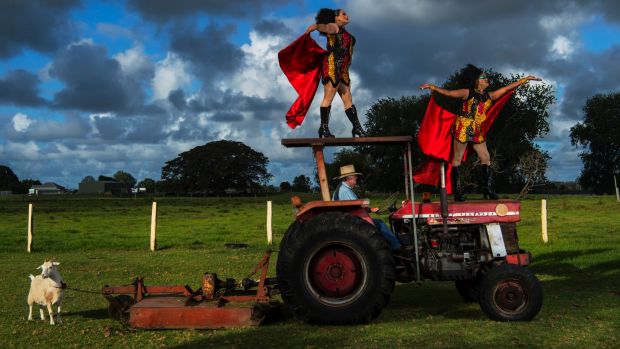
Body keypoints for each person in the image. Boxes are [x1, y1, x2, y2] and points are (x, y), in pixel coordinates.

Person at [419, 64, 541, 201]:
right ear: (476, 81)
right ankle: (457, 192)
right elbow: (449, 93)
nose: (486, 79)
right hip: (463, 127)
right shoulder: (467, 92)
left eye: (486, 77)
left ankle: (487, 190)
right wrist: (432, 87)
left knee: (486, 157)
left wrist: (525, 79)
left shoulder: (490, 96)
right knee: (457, 159)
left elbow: (507, 88)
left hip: (477, 130)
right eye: (483, 77)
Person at [305, 8, 367, 138]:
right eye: (343, 14)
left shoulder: (346, 33)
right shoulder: (334, 27)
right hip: (332, 67)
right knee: (329, 97)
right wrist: (316, 26)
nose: (347, 16)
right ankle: (323, 128)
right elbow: (325, 27)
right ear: (336, 18)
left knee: (348, 99)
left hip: (343, 70)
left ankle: (357, 127)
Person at [332, 164, 401, 251]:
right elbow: (358, 207)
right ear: (349, 178)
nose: (356, 178)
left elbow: (355, 205)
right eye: (355, 177)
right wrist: (371, 209)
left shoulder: (339, 189)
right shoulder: (345, 191)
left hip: (346, 219)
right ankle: (396, 246)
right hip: (351, 222)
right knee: (379, 223)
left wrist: (369, 208)